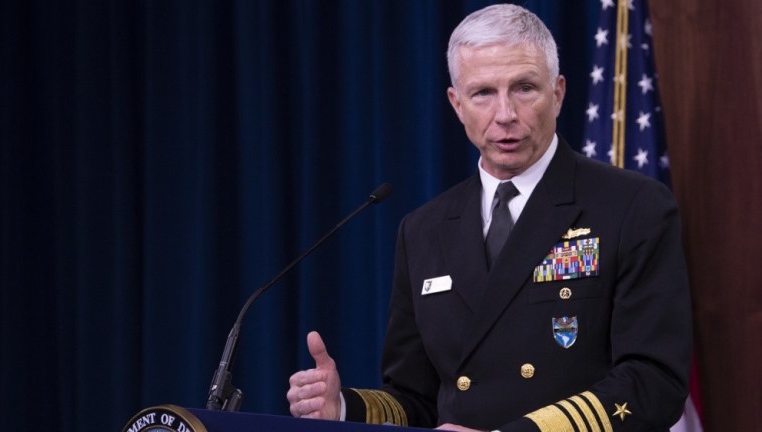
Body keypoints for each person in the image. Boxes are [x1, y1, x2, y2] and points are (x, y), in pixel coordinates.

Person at [287, 4, 692, 431]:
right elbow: (417, 397)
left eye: (524, 88)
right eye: (483, 93)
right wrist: (344, 408)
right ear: (456, 103)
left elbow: (653, 381)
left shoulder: (632, 206)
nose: (505, 115)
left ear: (557, 93)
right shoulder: (423, 230)